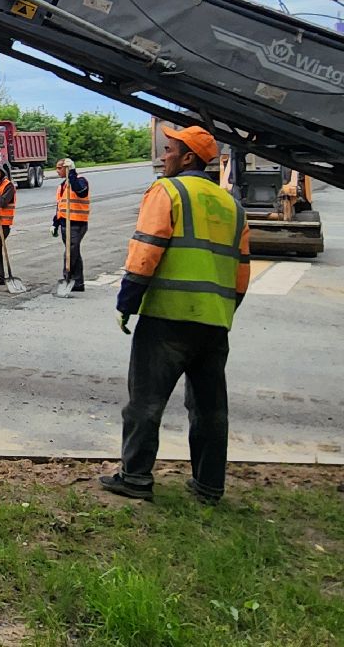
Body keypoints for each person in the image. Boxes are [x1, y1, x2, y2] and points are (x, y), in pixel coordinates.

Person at [99, 125, 251, 506]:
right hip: (215, 323)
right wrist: (220, 309)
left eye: (169, 150)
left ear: (187, 158)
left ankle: (134, 478)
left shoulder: (168, 192)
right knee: (210, 409)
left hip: (166, 319)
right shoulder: (232, 205)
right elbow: (242, 272)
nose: (163, 156)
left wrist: (127, 301)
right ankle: (209, 487)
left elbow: (146, 250)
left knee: (145, 404)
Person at [52, 158, 90, 292]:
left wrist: (72, 172)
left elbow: (80, 191)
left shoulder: (80, 181)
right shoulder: (62, 185)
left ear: (67, 168)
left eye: (59, 168)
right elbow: (60, 205)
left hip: (77, 223)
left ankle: (67, 278)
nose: (57, 171)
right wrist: (54, 224)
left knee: (70, 251)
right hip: (64, 223)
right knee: (74, 252)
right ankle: (78, 283)